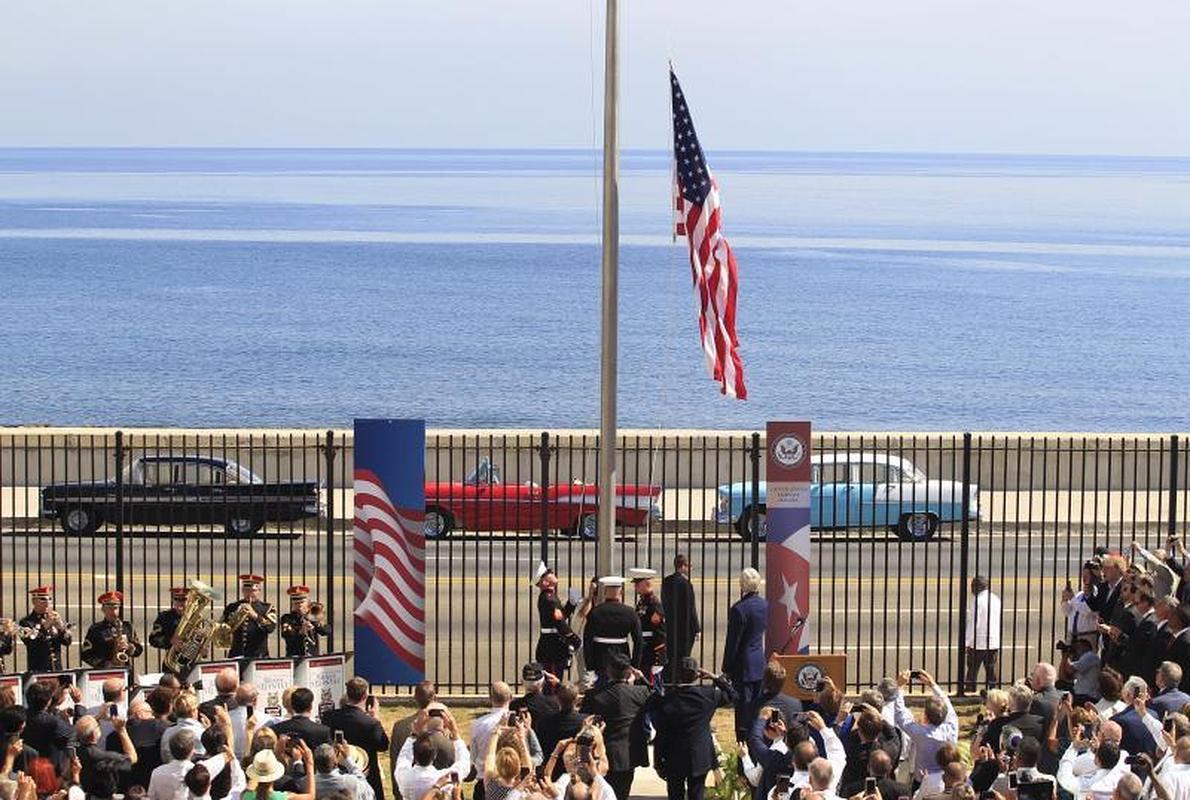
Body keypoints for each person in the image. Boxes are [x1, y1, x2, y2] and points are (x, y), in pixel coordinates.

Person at [651, 656, 735, 800]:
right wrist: (715, 677)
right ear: (697, 675)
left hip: (674, 756)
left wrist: (658, 761)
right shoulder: (708, 696)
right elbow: (732, 695)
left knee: (675, 795)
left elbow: (661, 733)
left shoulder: (667, 700)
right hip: (699, 755)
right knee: (696, 795)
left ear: (677, 675)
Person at [580, 652, 654, 800]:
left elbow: (584, 718)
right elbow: (656, 697)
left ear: (608, 671)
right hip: (629, 753)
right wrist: (642, 679)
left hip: (603, 752)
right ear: (629, 672)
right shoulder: (639, 692)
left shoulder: (595, 695)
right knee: (622, 793)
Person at [889, 669, 957, 794]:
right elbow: (949, 708)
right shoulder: (951, 729)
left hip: (922, 780)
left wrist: (900, 687)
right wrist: (933, 685)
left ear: (925, 716)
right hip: (946, 779)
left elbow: (900, 715)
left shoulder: (921, 733)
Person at [322, 677, 390, 800]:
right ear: (365, 696)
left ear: (347, 694)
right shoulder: (371, 723)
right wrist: (376, 718)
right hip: (366, 775)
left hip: (338, 776)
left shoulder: (329, 717)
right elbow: (383, 745)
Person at [722, 568, 767, 739]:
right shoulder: (764, 605)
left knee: (742, 713)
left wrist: (726, 667)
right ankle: (756, 741)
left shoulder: (739, 609)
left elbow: (733, 642)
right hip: (758, 662)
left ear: (742, 585)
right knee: (755, 710)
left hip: (743, 667)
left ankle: (744, 747)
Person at [393, 713, 471, 800]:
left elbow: (404, 757)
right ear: (434, 756)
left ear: (414, 756)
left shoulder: (404, 776)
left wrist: (414, 734)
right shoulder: (444, 779)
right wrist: (455, 734)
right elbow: (464, 763)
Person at [582, 577, 643, 683]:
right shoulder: (630, 613)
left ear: (605, 592)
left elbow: (587, 640)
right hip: (622, 657)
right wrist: (634, 665)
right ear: (622, 592)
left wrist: (590, 667)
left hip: (600, 658)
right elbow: (638, 641)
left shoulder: (595, 612)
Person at [147, 729, 235, 800]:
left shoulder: (157, 772)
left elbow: (151, 797)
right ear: (192, 751)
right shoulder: (198, 773)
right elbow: (225, 758)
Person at [534, 565, 582, 683]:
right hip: (552, 648)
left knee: (555, 680)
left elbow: (560, 616)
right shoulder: (549, 599)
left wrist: (571, 603)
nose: (553, 572)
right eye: (549, 573)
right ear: (544, 582)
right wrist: (573, 638)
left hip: (552, 645)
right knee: (553, 683)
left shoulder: (550, 597)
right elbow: (559, 623)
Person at [469, 682, 514, 800]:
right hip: (512, 783)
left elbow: (473, 756)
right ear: (511, 697)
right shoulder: (519, 724)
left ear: (490, 698)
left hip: (484, 782)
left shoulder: (477, 724)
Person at [77, 713, 137, 800]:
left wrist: (99, 716)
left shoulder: (76, 750)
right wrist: (122, 730)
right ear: (94, 734)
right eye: (98, 726)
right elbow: (133, 758)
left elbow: (80, 731)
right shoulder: (104, 757)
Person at [661, 554, 700, 683]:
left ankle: (669, 680)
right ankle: (680, 680)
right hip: (684, 629)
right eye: (689, 566)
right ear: (682, 566)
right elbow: (690, 608)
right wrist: (697, 628)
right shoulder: (686, 584)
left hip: (671, 627)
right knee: (683, 657)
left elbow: (665, 603)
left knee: (672, 656)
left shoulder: (666, 582)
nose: (690, 569)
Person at [82, 591, 144, 669]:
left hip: (125, 670)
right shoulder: (95, 629)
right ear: (103, 609)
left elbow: (139, 649)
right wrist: (104, 664)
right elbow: (86, 654)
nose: (113, 612)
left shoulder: (127, 627)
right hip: (103, 671)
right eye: (110, 609)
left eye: (116, 608)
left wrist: (129, 647)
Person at [222, 575, 277, 659]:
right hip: (236, 653)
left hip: (258, 655)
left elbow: (270, 628)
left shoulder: (267, 608)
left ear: (259, 591)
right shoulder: (232, 607)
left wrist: (254, 615)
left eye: (253, 591)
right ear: (242, 590)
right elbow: (223, 627)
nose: (250, 593)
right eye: (247, 590)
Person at [18, 586, 73, 672]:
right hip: (38, 669)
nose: (47, 602)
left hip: (56, 668)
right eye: (43, 599)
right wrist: (45, 626)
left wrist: (61, 628)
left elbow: (67, 642)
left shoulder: (54, 618)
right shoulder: (26, 622)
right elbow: (31, 643)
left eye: (49, 599)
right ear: (34, 601)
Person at [964, 576, 1002, 693]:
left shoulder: (978, 601)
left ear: (977, 587)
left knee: (972, 669)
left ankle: (970, 689)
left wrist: (967, 642)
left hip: (978, 641)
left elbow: (974, 623)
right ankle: (993, 691)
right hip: (993, 640)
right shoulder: (995, 599)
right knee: (991, 669)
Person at [629, 568, 667, 682]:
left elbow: (659, 632)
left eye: (637, 584)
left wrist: (659, 658)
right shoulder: (642, 602)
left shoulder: (654, 604)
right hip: (644, 648)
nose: (635, 587)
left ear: (647, 583)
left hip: (651, 651)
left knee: (652, 684)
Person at [242, 744, 315, 800]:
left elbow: (251, 785)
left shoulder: (246, 796)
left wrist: (259, 770)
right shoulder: (282, 797)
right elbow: (311, 796)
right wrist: (309, 763)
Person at [1109, 677, 1159, 758]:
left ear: (1128, 694)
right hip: (1152, 764)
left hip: (1129, 766)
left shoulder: (1118, 720)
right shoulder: (1154, 714)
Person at [279, 585, 330, 658]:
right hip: (295, 656)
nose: (299, 606)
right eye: (296, 603)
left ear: (307, 603)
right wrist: (301, 631)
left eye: (302, 602)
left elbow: (327, 631)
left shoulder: (312, 616)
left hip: (313, 656)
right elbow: (286, 635)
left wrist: (316, 623)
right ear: (293, 604)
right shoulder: (287, 618)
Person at [160, 693, 208, 762]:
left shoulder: (168, 732)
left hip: (171, 771)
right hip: (198, 771)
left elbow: (164, 757)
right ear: (193, 711)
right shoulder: (202, 733)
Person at [148, 587, 189, 660]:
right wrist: (170, 641)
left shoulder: (196, 617)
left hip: (193, 662)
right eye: (176, 599)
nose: (180, 602)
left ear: (189, 601)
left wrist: (203, 650)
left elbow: (201, 643)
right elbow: (153, 639)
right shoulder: (164, 617)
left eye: (184, 599)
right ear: (172, 600)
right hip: (172, 659)